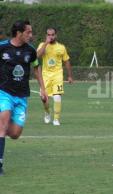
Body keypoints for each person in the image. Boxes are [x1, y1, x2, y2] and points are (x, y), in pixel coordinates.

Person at [0, 20, 48, 175]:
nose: (31, 35)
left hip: (21, 96)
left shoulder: (31, 51)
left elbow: (36, 68)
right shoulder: (2, 47)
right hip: (4, 92)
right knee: (3, 123)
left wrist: (43, 88)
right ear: (19, 33)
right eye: (28, 32)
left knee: (14, 133)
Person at [37, 27, 73, 126]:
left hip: (57, 75)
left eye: (52, 34)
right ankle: (47, 112)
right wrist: (46, 43)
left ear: (56, 35)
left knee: (57, 97)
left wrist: (69, 76)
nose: (51, 37)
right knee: (44, 98)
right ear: (46, 36)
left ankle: (56, 119)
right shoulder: (42, 45)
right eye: (48, 35)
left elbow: (66, 61)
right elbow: (37, 56)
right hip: (45, 76)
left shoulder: (61, 47)